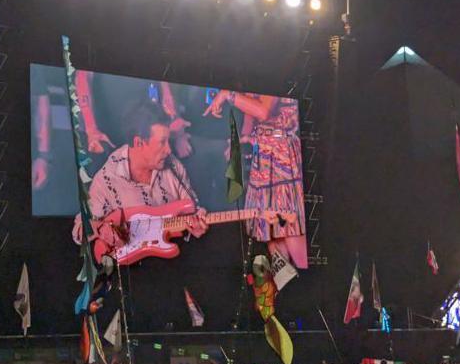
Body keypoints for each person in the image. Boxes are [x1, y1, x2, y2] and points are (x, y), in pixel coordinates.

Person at [72, 103, 208, 253]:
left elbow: (194, 209)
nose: (169, 150)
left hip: (176, 259)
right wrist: (101, 229)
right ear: (138, 142)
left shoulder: (173, 166)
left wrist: (197, 225)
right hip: (133, 270)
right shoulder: (107, 178)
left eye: (169, 141)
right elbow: (80, 229)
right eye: (162, 142)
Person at [204, 89, 308, 269]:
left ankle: (308, 289)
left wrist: (227, 95)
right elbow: (251, 116)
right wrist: (240, 140)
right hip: (263, 161)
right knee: (271, 237)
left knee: (290, 231)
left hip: (283, 160)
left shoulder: (275, 70)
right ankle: (288, 290)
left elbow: (263, 111)